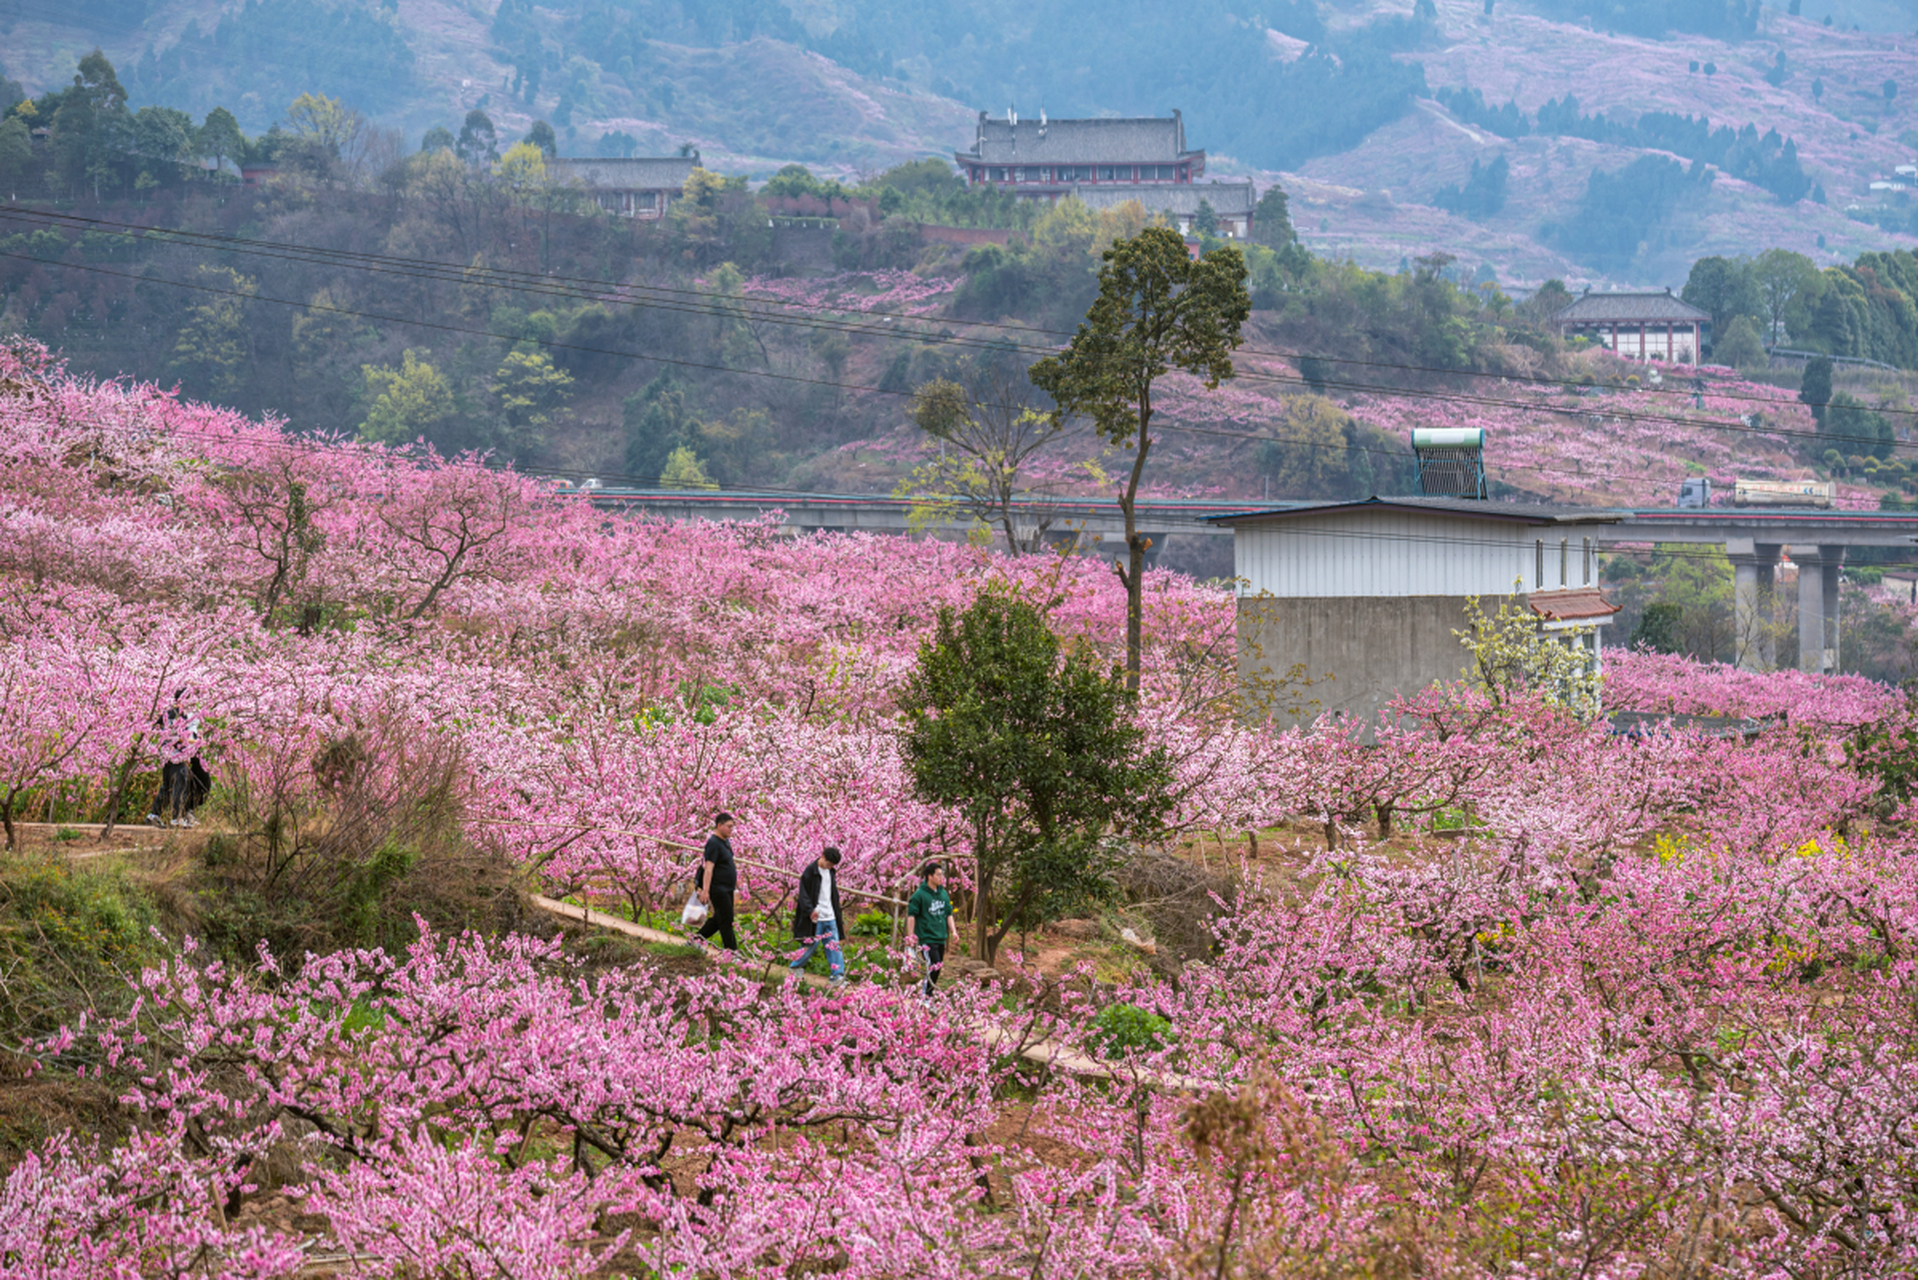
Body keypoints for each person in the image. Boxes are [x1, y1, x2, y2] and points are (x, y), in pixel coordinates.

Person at [789, 846, 847, 986]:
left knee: (834, 946)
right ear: (823, 857)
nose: (830, 867)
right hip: (816, 916)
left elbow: (832, 894)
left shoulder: (831, 872)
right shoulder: (810, 871)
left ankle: (837, 976)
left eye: (832, 865)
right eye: (829, 863)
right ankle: (795, 966)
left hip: (830, 915)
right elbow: (803, 894)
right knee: (810, 944)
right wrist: (810, 910)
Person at [146, 691, 202, 829]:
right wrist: (193, 742)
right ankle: (176, 818)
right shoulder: (185, 717)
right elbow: (189, 738)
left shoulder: (167, 714)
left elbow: (154, 729)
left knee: (167, 786)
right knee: (179, 786)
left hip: (166, 755)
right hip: (178, 756)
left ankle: (154, 815)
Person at [906, 860, 953, 1000]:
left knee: (938, 966)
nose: (941, 877)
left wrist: (954, 931)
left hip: (940, 936)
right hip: (926, 937)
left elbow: (949, 914)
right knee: (934, 966)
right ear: (929, 876)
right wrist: (911, 937)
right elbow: (911, 916)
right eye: (938, 874)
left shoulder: (943, 894)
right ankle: (925, 996)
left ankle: (928, 994)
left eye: (941, 874)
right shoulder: (919, 895)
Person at [695, 812, 739, 950]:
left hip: (728, 888)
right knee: (726, 919)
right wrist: (705, 891)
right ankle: (731, 951)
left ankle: (695, 941)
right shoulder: (713, 843)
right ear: (719, 826)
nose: (732, 829)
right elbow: (708, 868)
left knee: (718, 919)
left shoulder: (725, 842)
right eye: (729, 826)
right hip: (718, 888)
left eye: (733, 827)